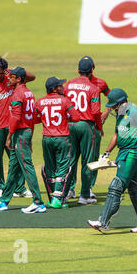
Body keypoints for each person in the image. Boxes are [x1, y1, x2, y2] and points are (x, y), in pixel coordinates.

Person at [86, 88, 137, 233]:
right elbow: (116, 134)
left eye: (114, 105)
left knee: (116, 186)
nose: (112, 108)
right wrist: (106, 153)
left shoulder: (135, 112)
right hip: (122, 153)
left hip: (131, 153)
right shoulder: (120, 114)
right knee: (135, 189)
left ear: (122, 102)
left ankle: (103, 222)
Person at [0, 67, 46, 213]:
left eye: (12, 76)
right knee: (14, 168)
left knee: (27, 167)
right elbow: (32, 118)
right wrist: (30, 136)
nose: (9, 78)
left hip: (20, 134)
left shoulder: (17, 95)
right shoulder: (29, 93)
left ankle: (39, 202)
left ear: (19, 79)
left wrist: (9, 136)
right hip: (25, 132)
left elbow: (15, 118)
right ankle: (3, 201)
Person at [0, 58, 35, 198]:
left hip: (10, 127)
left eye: (2, 73)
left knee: (16, 158)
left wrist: (13, 71)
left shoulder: (11, 81)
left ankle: (19, 188)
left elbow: (32, 77)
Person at [67, 56, 111, 200]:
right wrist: (100, 127)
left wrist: (107, 110)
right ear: (92, 68)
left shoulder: (69, 84)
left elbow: (112, 97)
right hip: (88, 125)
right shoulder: (93, 87)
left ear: (78, 69)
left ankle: (78, 189)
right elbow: (94, 111)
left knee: (71, 159)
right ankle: (81, 192)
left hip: (71, 125)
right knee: (89, 159)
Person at [34, 77, 80, 209]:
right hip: (62, 138)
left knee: (50, 168)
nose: (63, 87)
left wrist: (44, 120)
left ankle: (54, 198)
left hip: (47, 138)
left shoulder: (40, 102)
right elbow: (76, 118)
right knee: (63, 168)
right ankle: (57, 199)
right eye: (60, 86)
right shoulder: (65, 100)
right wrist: (64, 118)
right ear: (54, 88)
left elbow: (33, 119)